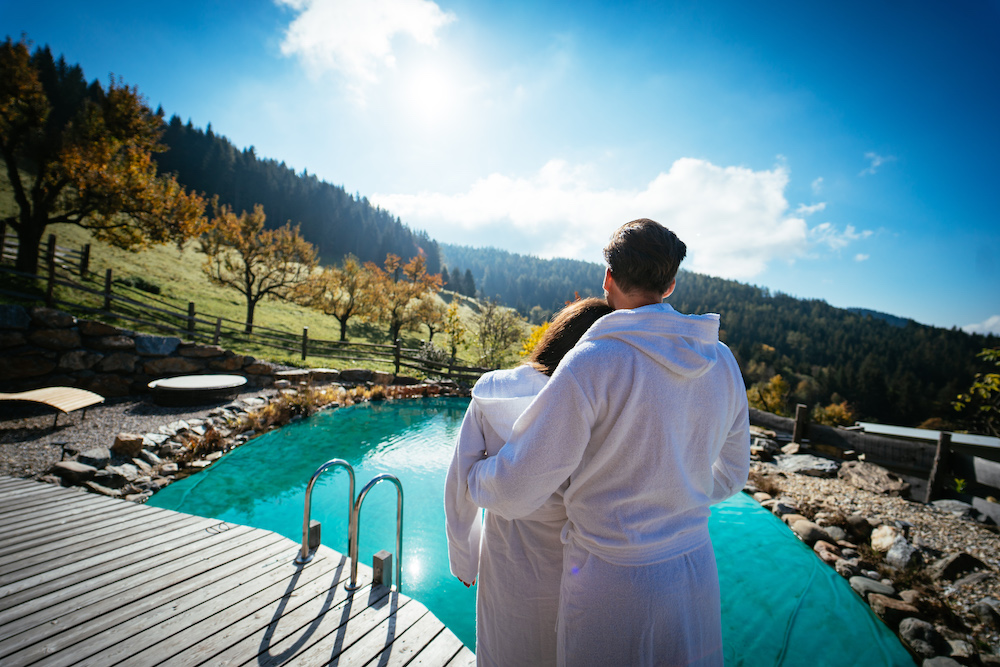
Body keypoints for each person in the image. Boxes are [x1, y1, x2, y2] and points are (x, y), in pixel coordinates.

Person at [467, 219, 750, 666]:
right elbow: (733, 475)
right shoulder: (722, 361)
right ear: (670, 284)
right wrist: (680, 491)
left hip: (613, 584)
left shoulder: (594, 361)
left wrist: (476, 477)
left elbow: (521, 489)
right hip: (694, 568)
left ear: (608, 278)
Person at [445, 298, 614, 667]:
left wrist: (463, 557)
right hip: (575, 564)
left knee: (504, 644)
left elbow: (460, 478)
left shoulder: (493, 391)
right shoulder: (602, 401)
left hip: (505, 555)